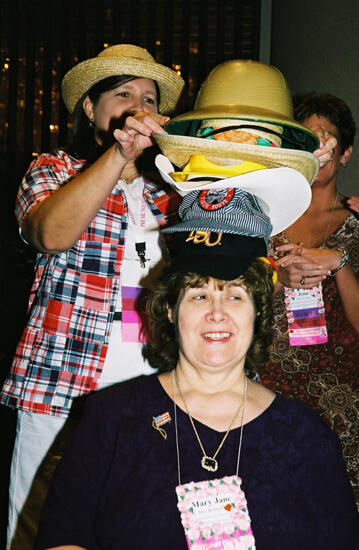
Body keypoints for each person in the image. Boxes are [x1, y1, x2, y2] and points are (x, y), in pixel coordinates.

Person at [34, 184, 359, 549]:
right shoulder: (111, 419)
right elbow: (63, 539)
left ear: (258, 312)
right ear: (171, 309)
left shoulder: (306, 436)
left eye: (236, 295)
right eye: (199, 295)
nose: (217, 313)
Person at [1, 43, 184, 549]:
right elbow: (50, 234)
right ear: (90, 107)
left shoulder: (171, 191)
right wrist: (118, 157)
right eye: (123, 93)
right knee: (40, 529)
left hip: (152, 389)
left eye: (148, 96)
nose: (138, 105)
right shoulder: (53, 169)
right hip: (62, 388)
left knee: (141, 525)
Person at [260, 93, 359, 507]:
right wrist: (279, 276)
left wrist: (341, 262)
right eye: (307, 140)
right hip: (264, 381)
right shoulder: (260, 215)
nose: (318, 151)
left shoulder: (357, 221)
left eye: (328, 140)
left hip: (342, 395)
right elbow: (235, 296)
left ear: (346, 153)